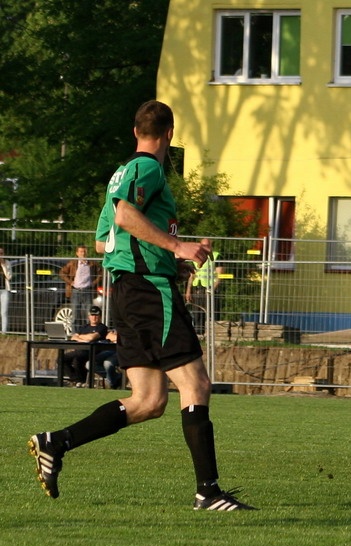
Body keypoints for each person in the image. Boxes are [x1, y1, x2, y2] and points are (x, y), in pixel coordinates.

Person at [28, 100, 255, 510]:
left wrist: (169, 257)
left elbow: (104, 239)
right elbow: (126, 214)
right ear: (169, 133)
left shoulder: (121, 173)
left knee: (149, 401)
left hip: (132, 291)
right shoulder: (147, 168)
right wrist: (177, 246)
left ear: (136, 130)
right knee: (196, 384)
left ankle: (55, 443)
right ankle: (208, 491)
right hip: (149, 292)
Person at [61, 305, 109, 386]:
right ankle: (76, 379)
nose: (94, 317)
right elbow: (73, 337)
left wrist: (80, 337)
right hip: (80, 350)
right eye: (92, 315)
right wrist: (84, 339)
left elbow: (91, 338)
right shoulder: (84, 327)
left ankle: (80, 381)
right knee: (61, 358)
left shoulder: (102, 327)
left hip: (92, 352)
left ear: (100, 316)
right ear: (89, 316)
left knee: (78, 358)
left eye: (96, 315)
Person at [59, 244, 103, 327]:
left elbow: (101, 273)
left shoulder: (92, 264)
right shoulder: (73, 263)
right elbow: (62, 272)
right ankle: (74, 335)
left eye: (85, 251)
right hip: (75, 291)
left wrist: (94, 282)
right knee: (75, 315)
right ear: (77, 253)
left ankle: (88, 333)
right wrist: (70, 282)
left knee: (89, 315)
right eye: (81, 252)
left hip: (88, 291)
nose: (83, 254)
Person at [185, 238, 224, 321]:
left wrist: (211, 290)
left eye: (207, 245)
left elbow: (219, 276)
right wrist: (188, 290)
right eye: (203, 245)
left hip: (211, 289)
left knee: (212, 316)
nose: (204, 247)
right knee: (197, 316)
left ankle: (213, 333)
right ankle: (199, 333)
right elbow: (192, 275)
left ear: (211, 246)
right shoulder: (196, 256)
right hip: (197, 289)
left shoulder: (217, 256)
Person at [0, 247, 10, 334]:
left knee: (4, 311)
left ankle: (4, 331)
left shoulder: (7, 263)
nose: (0, 255)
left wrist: (3, 265)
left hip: (4, 290)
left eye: (2, 253)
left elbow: (9, 276)